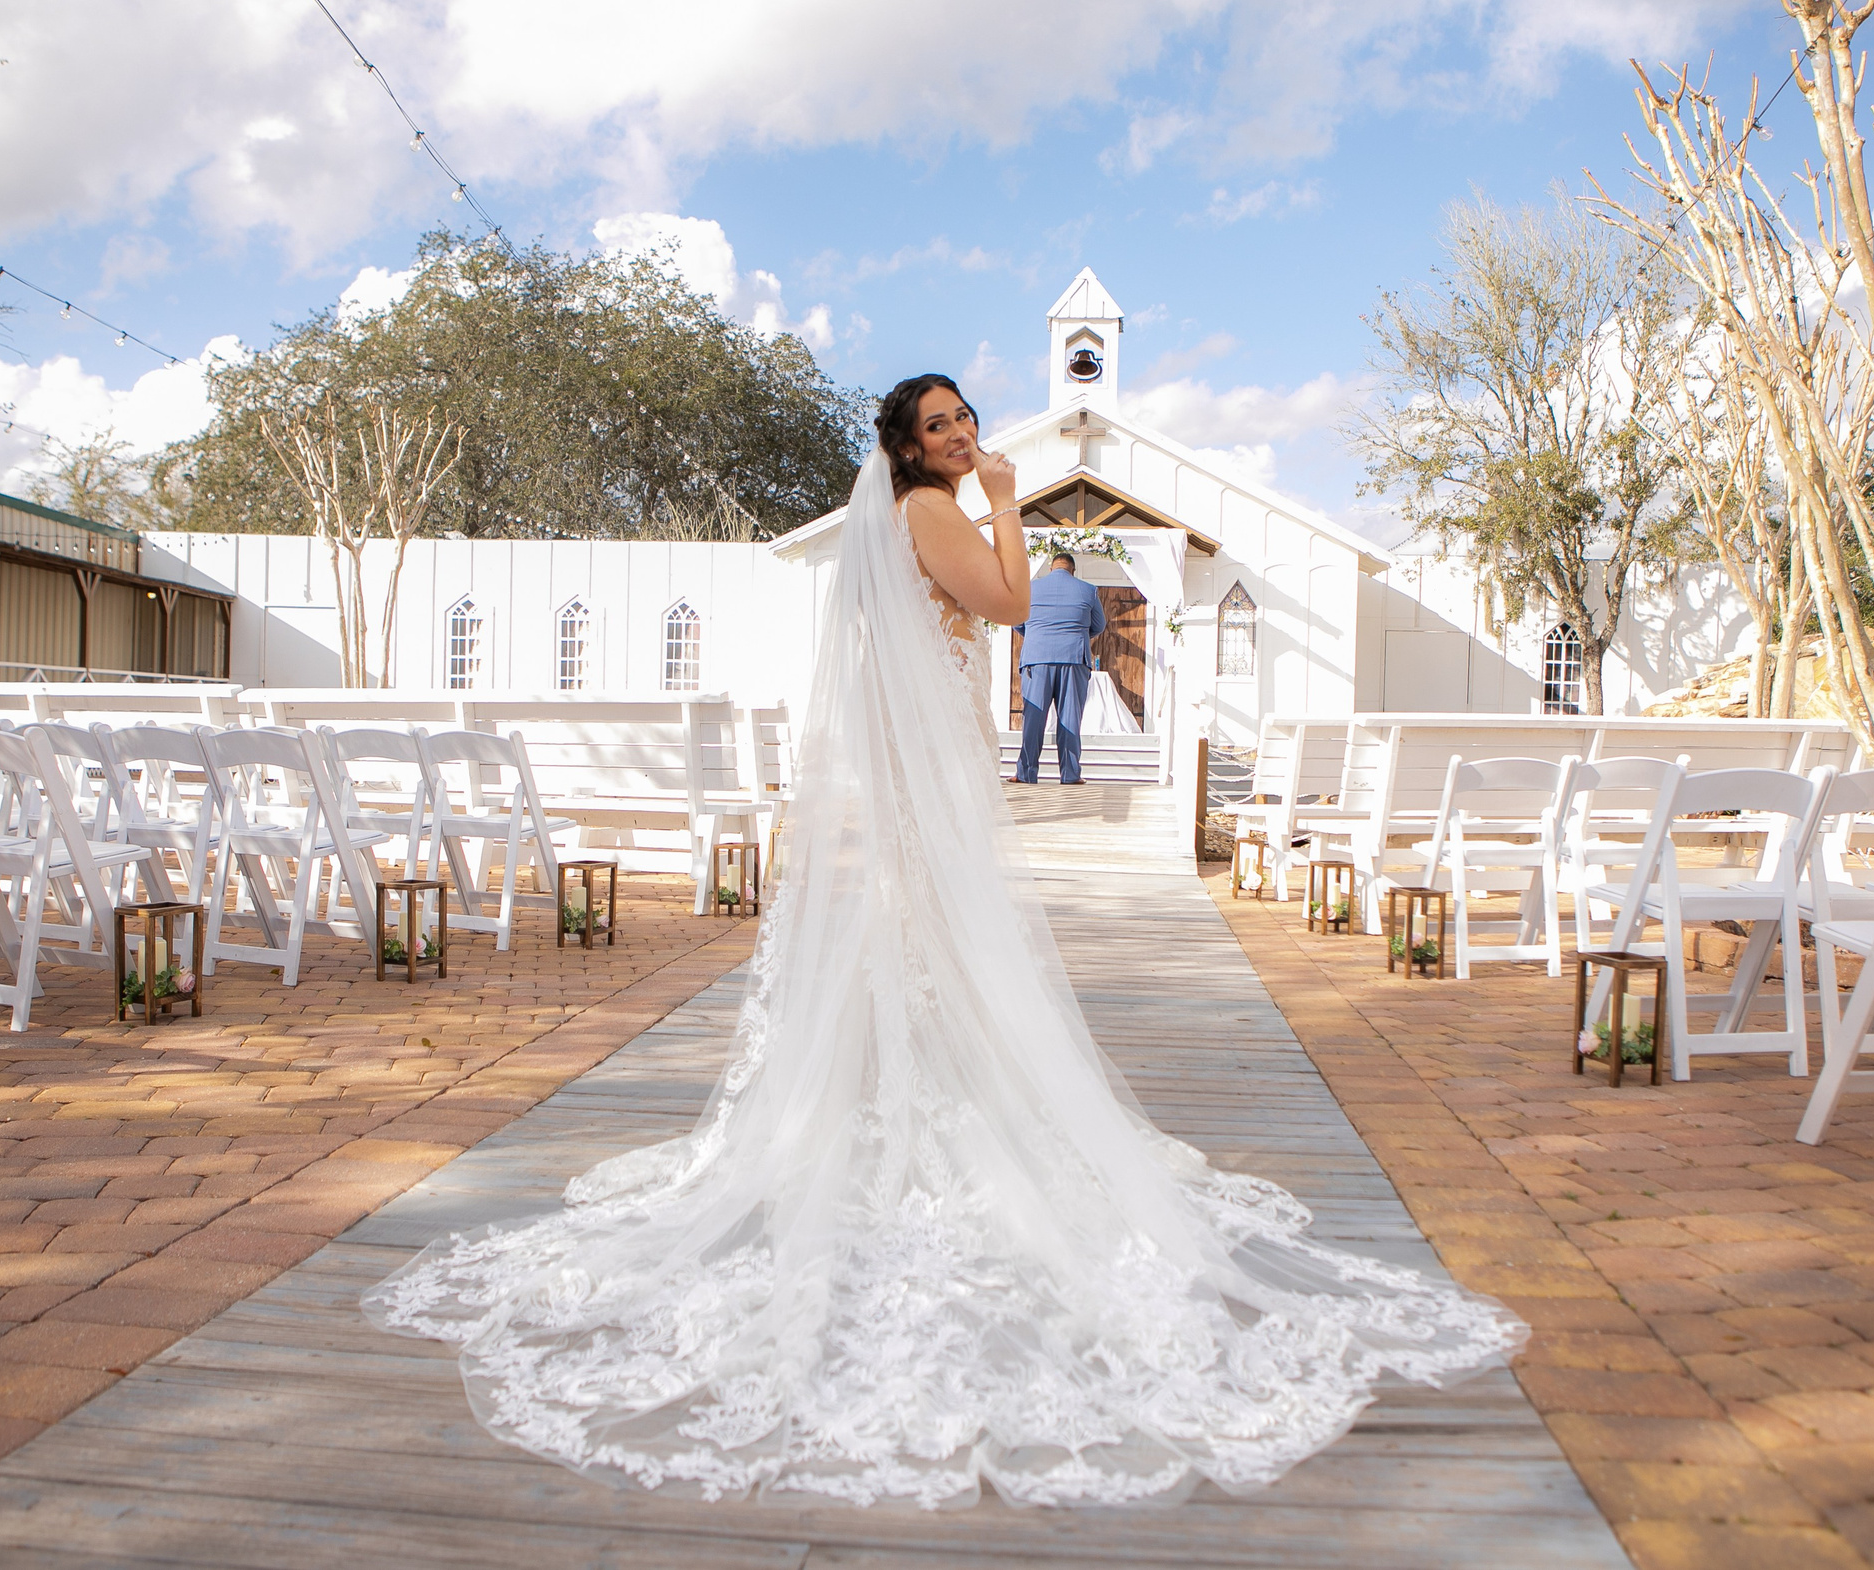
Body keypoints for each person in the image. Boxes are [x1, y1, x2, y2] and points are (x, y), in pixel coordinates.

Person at [364, 373, 1520, 1509]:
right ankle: (919, 1107)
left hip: (944, 759)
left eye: (966, 417)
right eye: (941, 425)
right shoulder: (932, 512)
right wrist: (1008, 498)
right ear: (909, 450)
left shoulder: (919, 511)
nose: (962, 432)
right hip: (937, 771)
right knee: (942, 940)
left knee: (933, 942)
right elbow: (1013, 605)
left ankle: (912, 1085)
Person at [1013, 552, 1106, 785]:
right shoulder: (1088, 590)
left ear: (1051, 568)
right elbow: (1099, 625)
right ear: (1072, 570)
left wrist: (1036, 635)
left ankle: (1026, 773)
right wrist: (1077, 635)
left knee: (1033, 718)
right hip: (1073, 658)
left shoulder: (1031, 588)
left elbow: (1017, 621)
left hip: (1037, 658)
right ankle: (1071, 774)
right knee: (1070, 718)